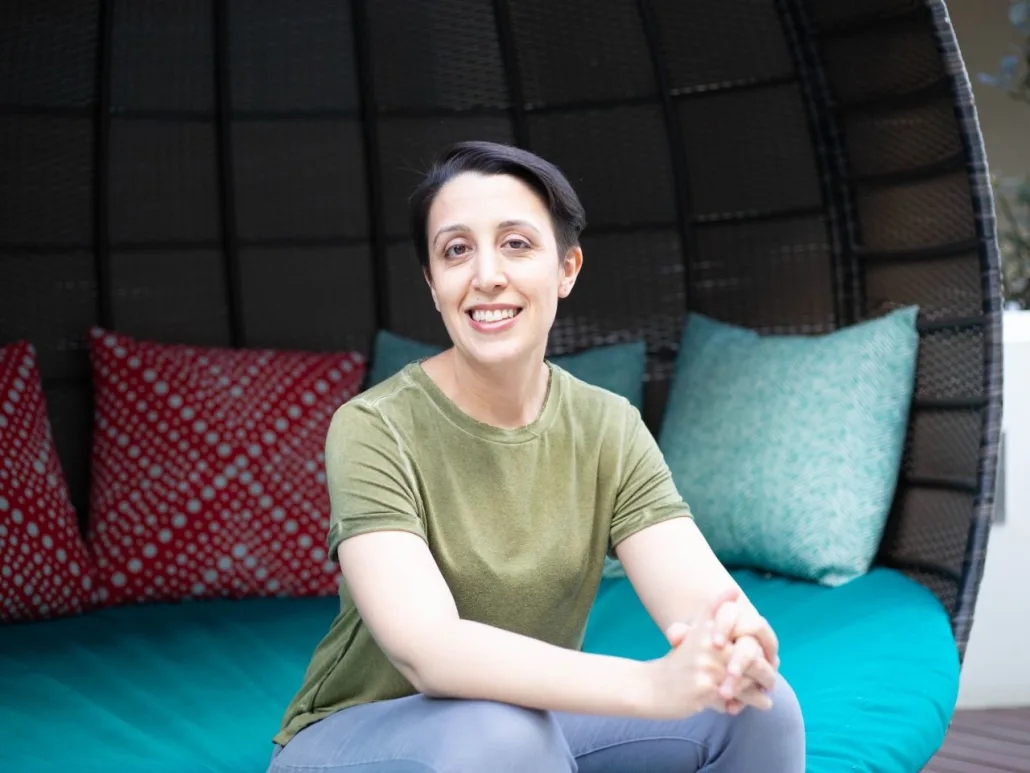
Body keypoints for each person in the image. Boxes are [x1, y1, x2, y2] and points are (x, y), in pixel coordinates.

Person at [267, 141, 805, 772]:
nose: (486, 274)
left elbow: (703, 600)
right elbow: (429, 651)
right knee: (505, 735)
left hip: (518, 728)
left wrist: (734, 645)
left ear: (567, 268)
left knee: (755, 708)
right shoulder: (373, 427)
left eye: (517, 243)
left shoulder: (607, 426)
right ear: (433, 283)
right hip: (356, 739)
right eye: (456, 250)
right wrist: (649, 688)